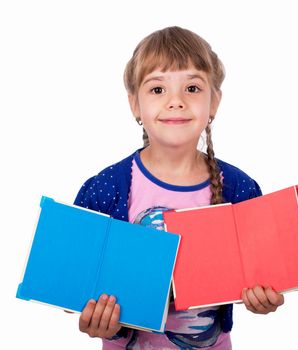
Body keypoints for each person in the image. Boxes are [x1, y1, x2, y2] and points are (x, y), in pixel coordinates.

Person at [74, 26, 284, 349]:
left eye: (192, 88)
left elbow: (267, 275)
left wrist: (263, 298)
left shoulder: (240, 190)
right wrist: (100, 321)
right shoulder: (105, 190)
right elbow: (74, 284)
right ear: (134, 104)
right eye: (158, 90)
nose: (176, 101)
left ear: (214, 102)